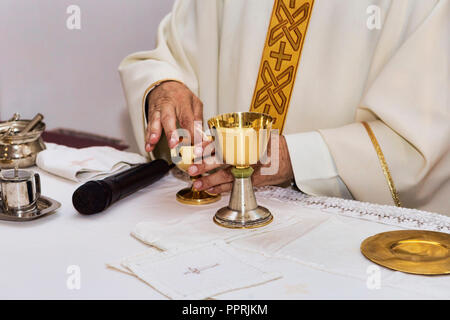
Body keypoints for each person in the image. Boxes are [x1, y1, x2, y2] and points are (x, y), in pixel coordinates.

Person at [119, 0, 449, 215]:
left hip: (336, 237)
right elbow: (170, 56)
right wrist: (165, 88)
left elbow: (422, 140)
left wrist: (294, 157)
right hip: (208, 216)